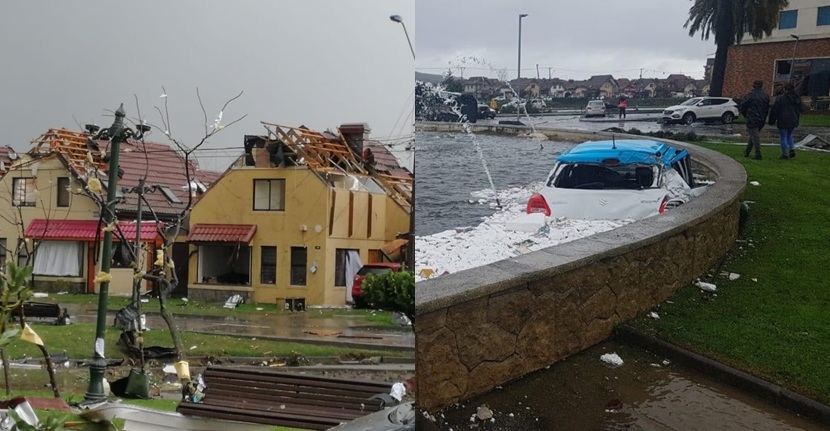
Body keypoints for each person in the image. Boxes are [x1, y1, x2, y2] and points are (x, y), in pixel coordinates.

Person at [767, 82, 805, 159]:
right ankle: (792, 148)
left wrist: (771, 120)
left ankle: (784, 154)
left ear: (785, 89)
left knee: (783, 136)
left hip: (783, 119)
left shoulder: (780, 98)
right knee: (789, 134)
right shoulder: (796, 97)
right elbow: (802, 109)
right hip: (793, 119)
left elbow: (775, 110)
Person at [739, 80, 771, 160]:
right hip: (762, 118)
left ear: (754, 85)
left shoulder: (750, 95)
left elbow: (743, 106)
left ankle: (758, 153)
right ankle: (747, 151)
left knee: (754, 135)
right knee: (753, 135)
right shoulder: (765, 96)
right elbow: (767, 108)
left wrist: (745, 115)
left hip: (752, 117)